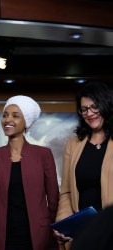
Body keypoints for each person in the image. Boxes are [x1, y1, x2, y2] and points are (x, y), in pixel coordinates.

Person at [0, 95, 59, 250]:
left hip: (39, 236)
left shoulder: (43, 154)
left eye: (15, 116)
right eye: (5, 115)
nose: (8, 120)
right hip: (2, 237)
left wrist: (57, 228)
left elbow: (53, 199)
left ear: (26, 122)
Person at [54, 82, 113, 248]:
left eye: (95, 106)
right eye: (84, 109)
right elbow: (66, 192)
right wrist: (63, 224)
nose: (90, 113)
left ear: (107, 105)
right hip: (83, 234)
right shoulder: (73, 144)